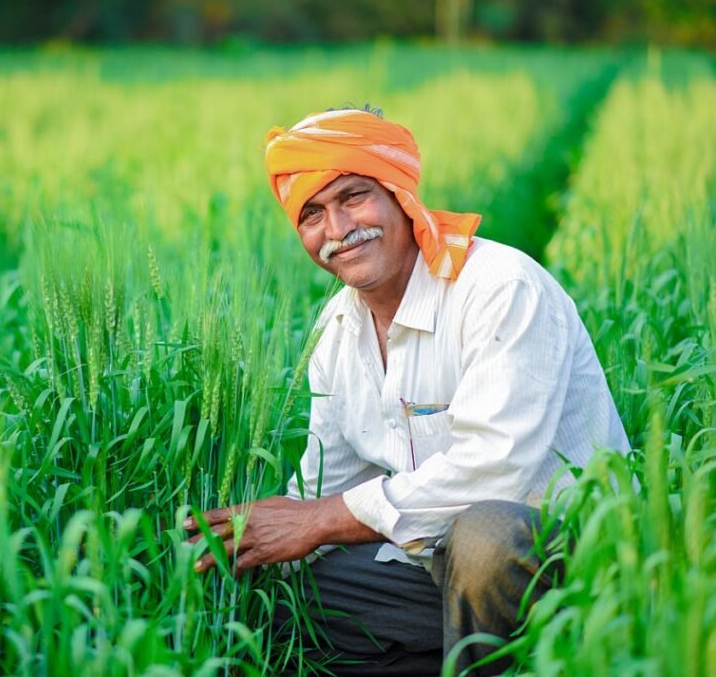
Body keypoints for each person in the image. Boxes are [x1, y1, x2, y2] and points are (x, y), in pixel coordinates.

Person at [184, 107, 630, 675]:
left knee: (485, 534)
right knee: (277, 597)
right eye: (312, 214)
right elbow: (331, 482)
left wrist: (317, 520)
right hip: (431, 568)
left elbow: (497, 472)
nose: (338, 230)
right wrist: (255, 540)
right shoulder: (336, 334)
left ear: (400, 194)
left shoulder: (498, 288)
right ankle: (456, 655)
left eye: (354, 196)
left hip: (561, 566)